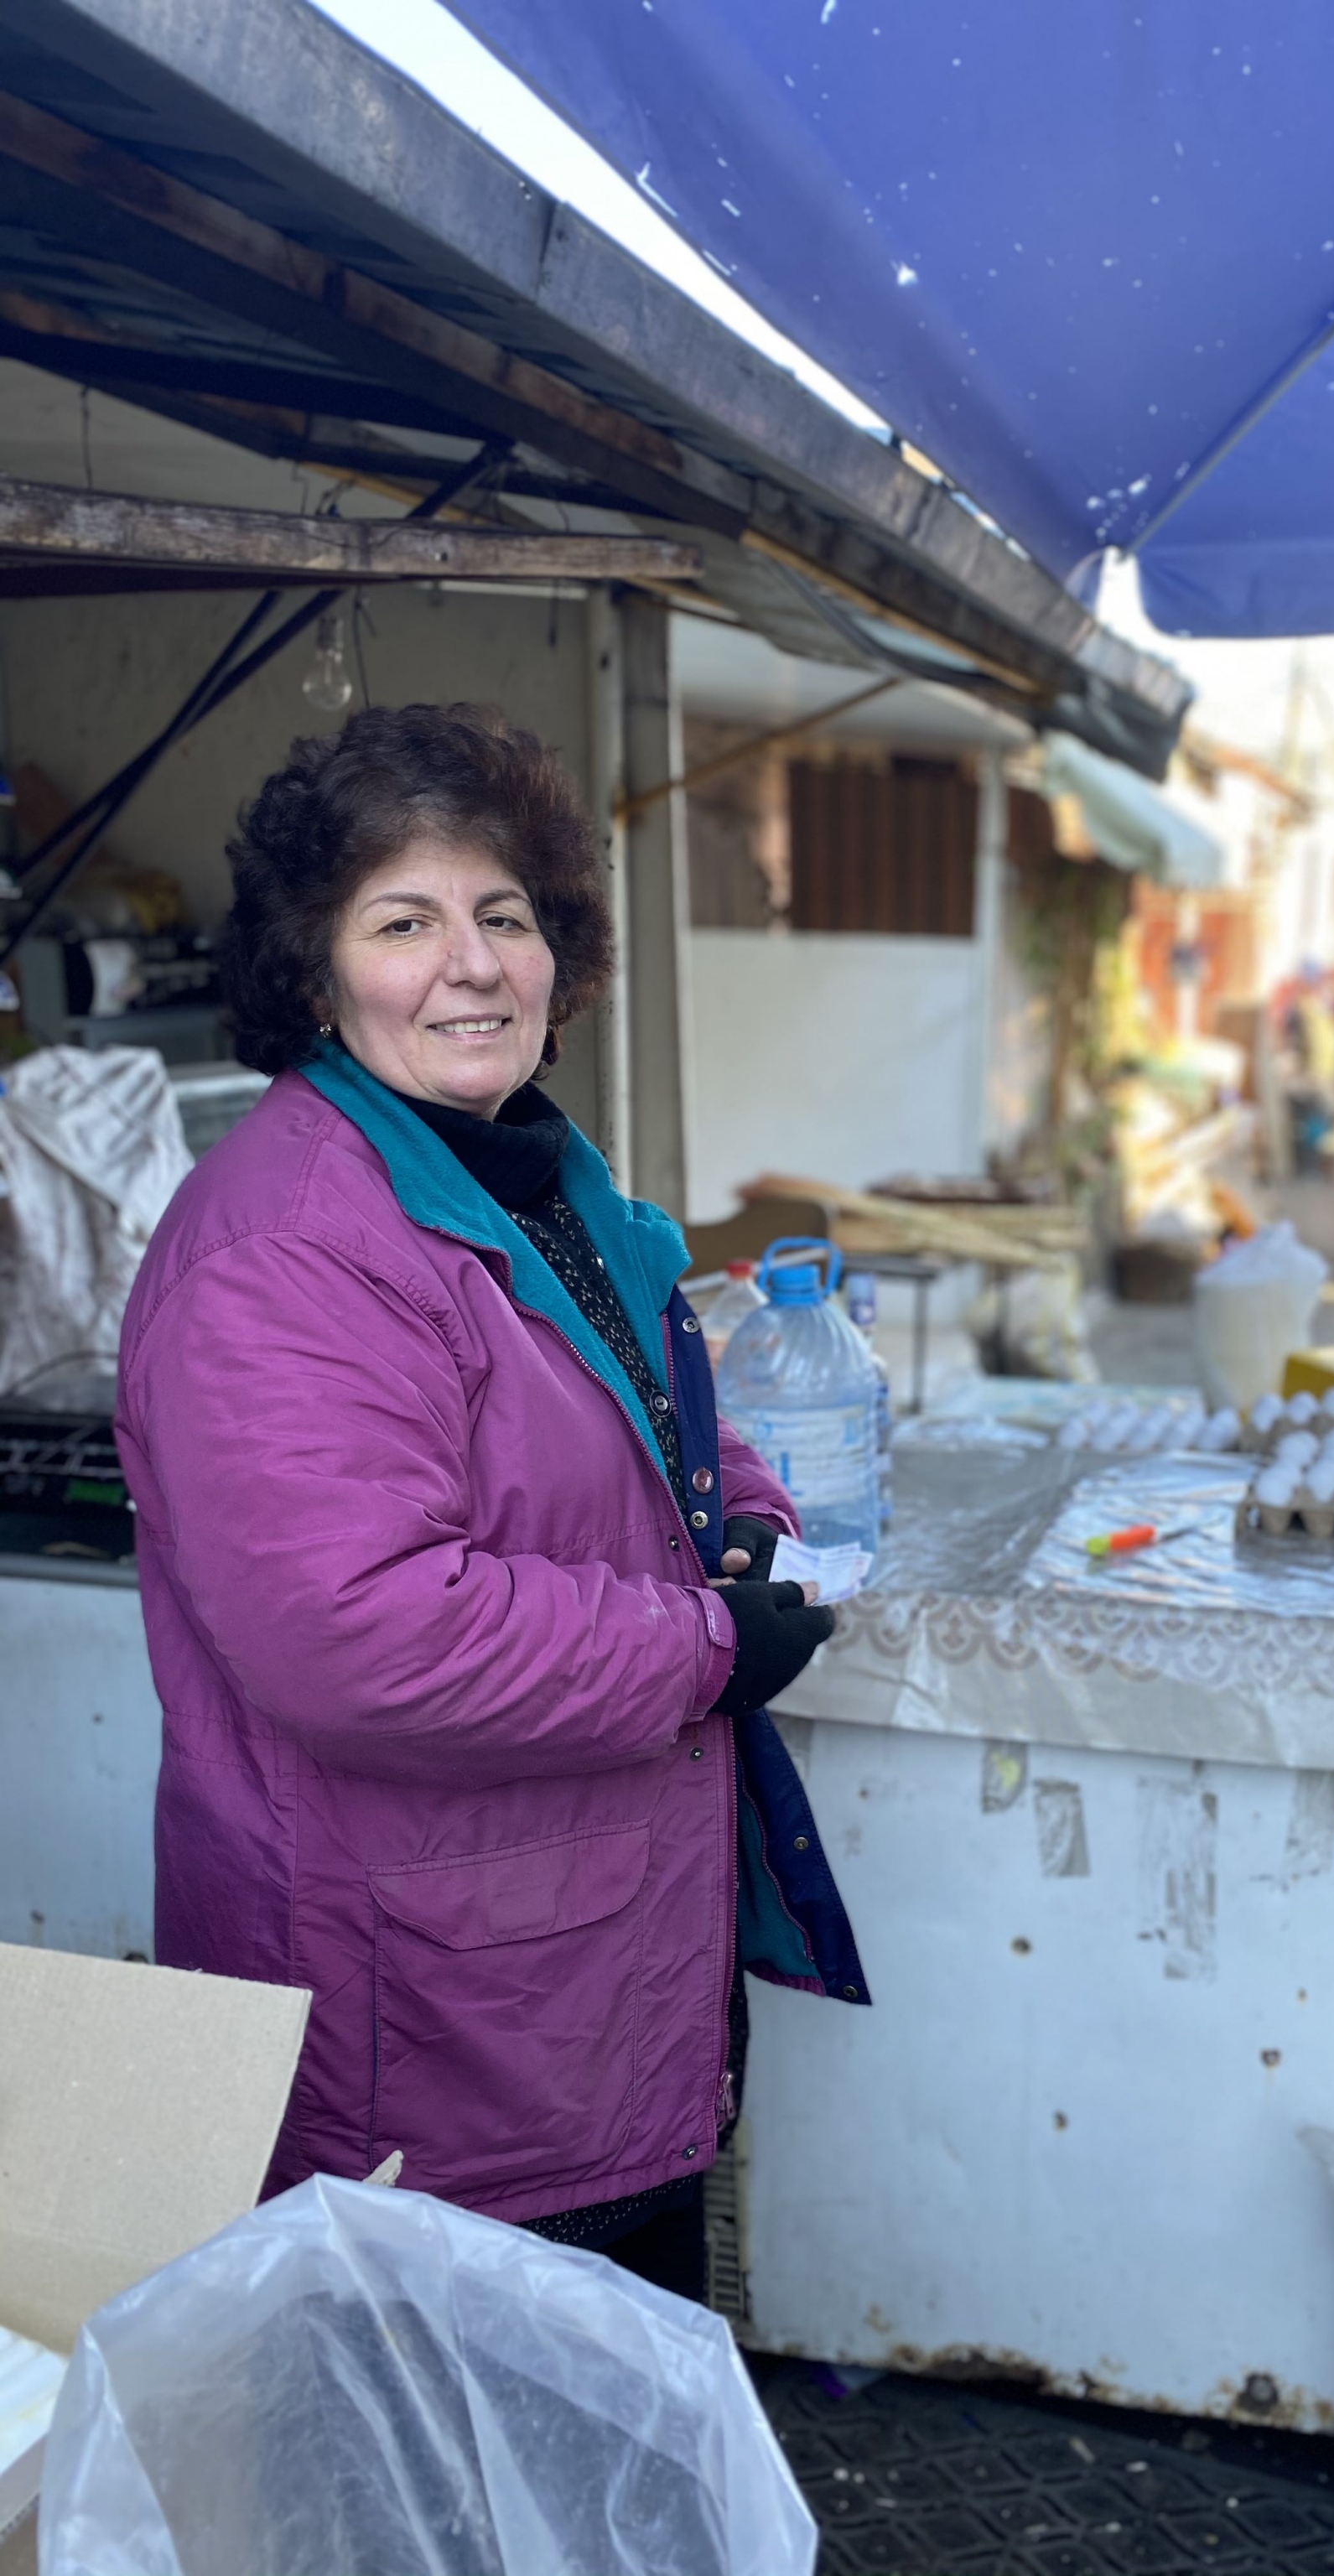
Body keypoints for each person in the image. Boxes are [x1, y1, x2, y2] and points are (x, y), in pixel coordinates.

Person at [115, 704, 864, 2300]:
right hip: (432, 2031)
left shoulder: (532, 1170)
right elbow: (360, 1631)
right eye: (403, 922)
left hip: (581, 1967)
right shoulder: (291, 1245)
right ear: (316, 975)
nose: (469, 963)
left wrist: (736, 1514)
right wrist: (701, 1650)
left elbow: (644, 1418)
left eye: (501, 914)